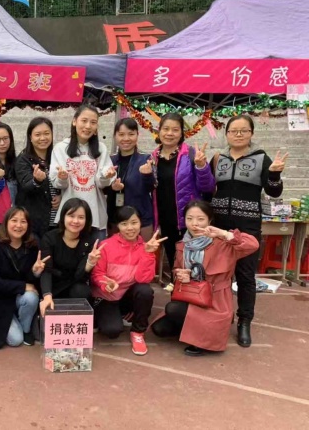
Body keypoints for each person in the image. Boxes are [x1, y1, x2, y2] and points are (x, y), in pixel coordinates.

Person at [210, 115, 287, 347]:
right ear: (226, 134)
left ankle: (244, 321)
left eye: (244, 130)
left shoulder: (261, 158)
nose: (238, 134)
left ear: (251, 133)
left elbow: (274, 192)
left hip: (248, 226)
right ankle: (220, 315)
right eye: (233, 131)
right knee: (219, 273)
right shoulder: (218, 158)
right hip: (220, 224)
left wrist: (274, 174)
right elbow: (207, 187)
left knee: (245, 275)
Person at [151, 200, 260, 356]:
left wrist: (224, 233)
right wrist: (181, 275)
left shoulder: (223, 243)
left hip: (215, 301)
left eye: (200, 219)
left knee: (172, 309)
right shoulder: (183, 244)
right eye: (189, 219)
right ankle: (193, 329)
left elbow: (253, 245)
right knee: (159, 329)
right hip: (191, 295)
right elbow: (176, 269)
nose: (194, 224)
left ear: (209, 220)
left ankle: (203, 338)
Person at [150, 112, 215, 289]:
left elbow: (208, 187)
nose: (169, 133)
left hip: (188, 221)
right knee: (174, 262)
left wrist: (201, 166)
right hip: (165, 219)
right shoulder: (153, 157)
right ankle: (177, 296)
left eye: (175, 130)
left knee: (192, 263)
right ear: (159, 131)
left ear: (181, 133)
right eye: (166, 129)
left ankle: (194, 298)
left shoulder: (191, 154)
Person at [91, 206, 164, 356]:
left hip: (128, 296)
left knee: (145, 290)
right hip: (107, 297)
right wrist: (106, 284)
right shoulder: (106, 246)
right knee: (111, 331)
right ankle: (115, 315)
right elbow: (97, 274)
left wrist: (148, 254)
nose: (130, 228)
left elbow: (144, 279)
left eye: (134, 223)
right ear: (117, 226)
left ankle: (138, 332)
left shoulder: (146, 247)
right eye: (124, 224)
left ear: (140, 223)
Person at [0, 207, 46, 349]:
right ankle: (8, 321)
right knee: (15, 340)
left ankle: (26, 329)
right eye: (14, 220)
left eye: (23, 221)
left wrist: (35, 272)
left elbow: (30, 279)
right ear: (6, 222)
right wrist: (23, 286)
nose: (18, 225)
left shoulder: (31, 246)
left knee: (31, 297)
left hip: (18, 297)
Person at [50, 104, 115, 242]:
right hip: (70, 216)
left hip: (95, 214)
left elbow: (101, 183)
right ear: (74, 121)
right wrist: (62, 178)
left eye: (93, 122)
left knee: (96, 253)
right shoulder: (61, 148)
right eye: (84, 121)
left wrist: (106, 176)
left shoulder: (101, 148)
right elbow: (57, 183)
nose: (88, 126)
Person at [38, 198, 99, 317]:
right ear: (63, 217)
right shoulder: (50, 238)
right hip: (52, 286)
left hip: (74, 286)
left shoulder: (89, 241)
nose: (75, 221)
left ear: (86, 220)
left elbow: (80, 276)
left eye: (81, 217)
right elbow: (46, 270)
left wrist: (89, 263)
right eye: (71, 216)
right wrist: (47, 295)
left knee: (82, 290)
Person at [106, 118, 155, 241]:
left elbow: (152, 186)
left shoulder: (146, 159)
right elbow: (101, 188)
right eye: (121, 134)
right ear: (115, 136)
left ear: (137, 135)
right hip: (116, 220)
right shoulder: (109, 160)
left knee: (143, 251)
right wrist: (112, 188)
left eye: (131, 134)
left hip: (140, 220)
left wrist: (147, 175)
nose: (126, 138)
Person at [15, 117, 62, 241]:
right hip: (35, 223)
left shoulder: (57, 156)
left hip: (57, 220)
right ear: (30, 137)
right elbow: (26, 185)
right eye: (37, 134)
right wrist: (37, 181)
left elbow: (63, 182)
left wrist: (61, 195)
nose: (43, 138)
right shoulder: (23, 159)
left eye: (46, 133)